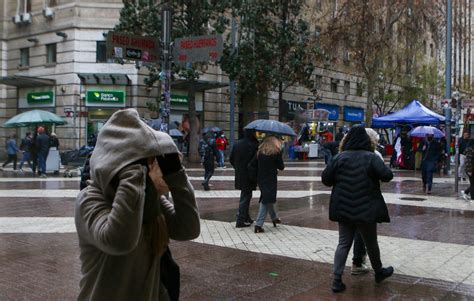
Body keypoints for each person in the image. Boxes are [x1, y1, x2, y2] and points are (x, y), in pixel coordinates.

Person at [75, 108, 200, 301]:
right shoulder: (90, 199)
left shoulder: (150, 198)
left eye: (148, 160)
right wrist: (132, 174)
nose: (148, 166)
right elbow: (119, 241)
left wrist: (176, 175)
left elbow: (187, 229)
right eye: (142, 160)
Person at [321, 126, 394, 293]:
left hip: (343, 207)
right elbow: (387, 175)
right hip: (366, 208)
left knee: (344, 243)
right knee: (370, 242)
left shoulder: (339, 158)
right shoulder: (371, 157)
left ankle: (337, 280)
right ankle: (379, 272)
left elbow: (326, 179)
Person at [252, 136, 284, 233]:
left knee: (268, 198)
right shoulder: (275, 153)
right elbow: (281, 167)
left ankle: (274, 218)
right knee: (266, 200)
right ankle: (258, 224)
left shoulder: (260, 153)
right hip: (271, 179)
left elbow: (253, 164)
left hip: (261, 178)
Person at [230, 129, 259, 228]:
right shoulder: (254, 144)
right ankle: (240, 219)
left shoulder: (237, 144)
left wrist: (237, 168)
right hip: (249, 175)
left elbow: (231, 159)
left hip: (239, 174)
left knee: (246, 195)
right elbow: (256, 161)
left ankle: (246, 217)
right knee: (246, 197)